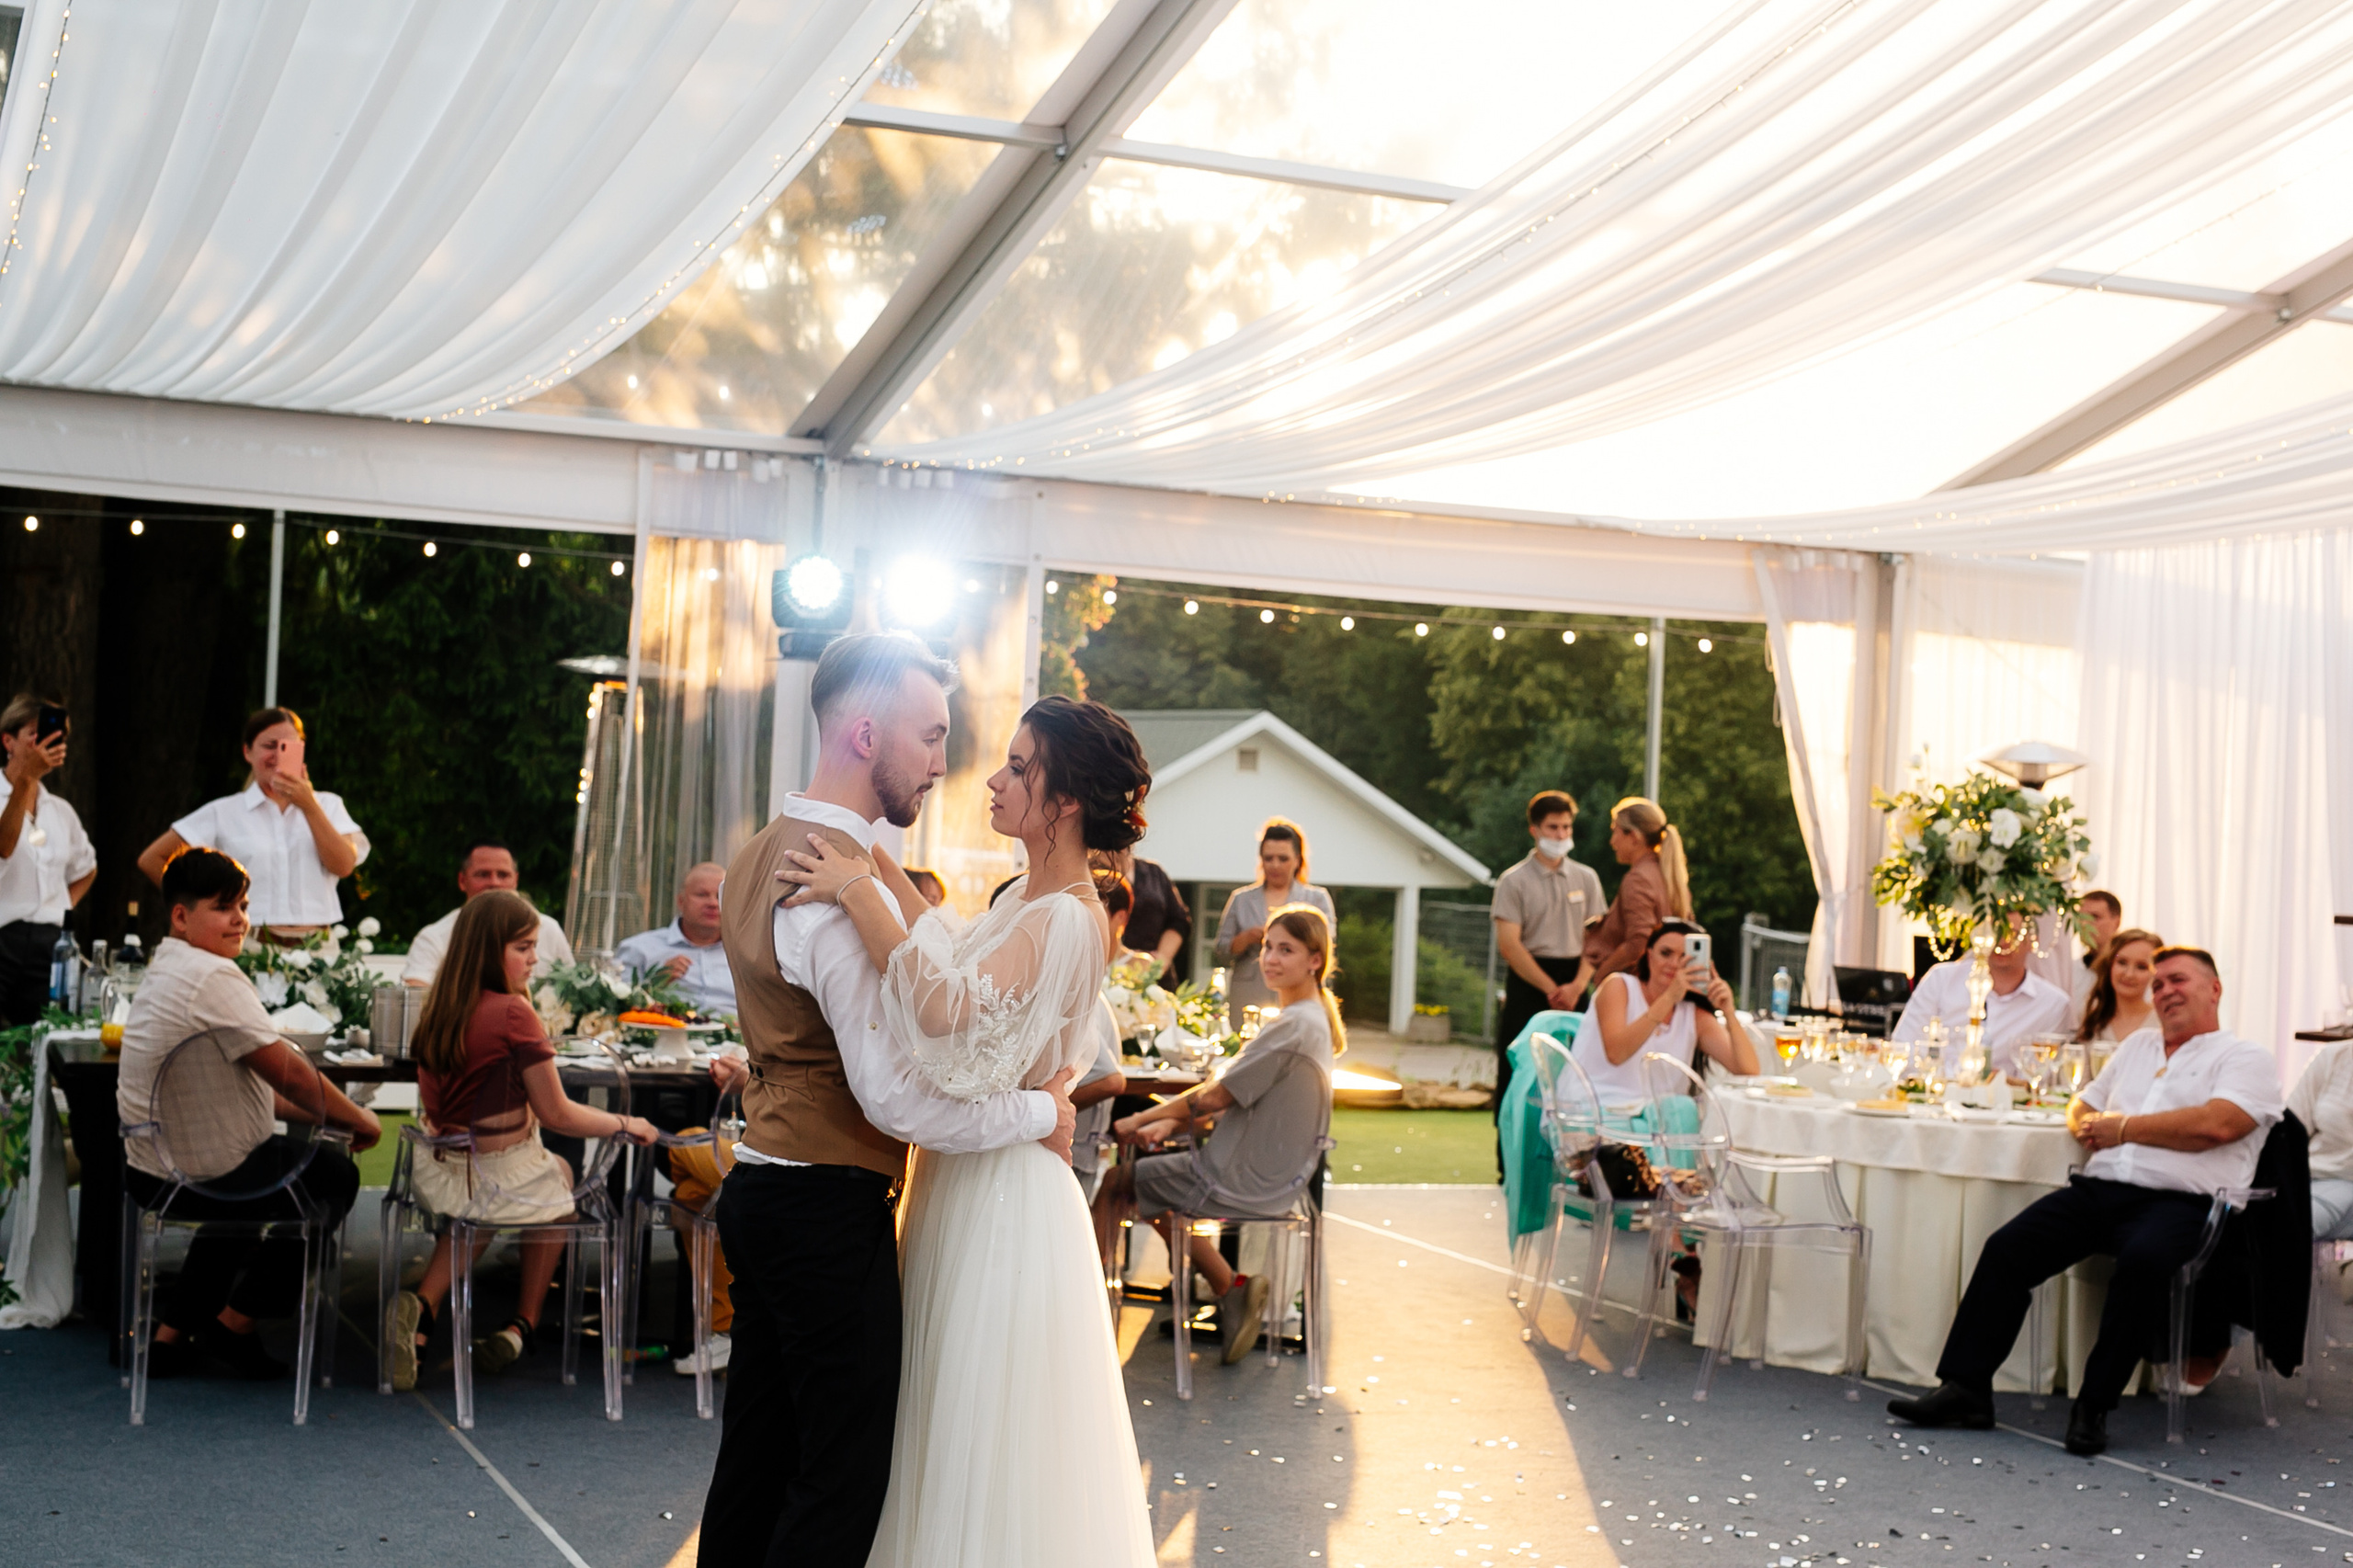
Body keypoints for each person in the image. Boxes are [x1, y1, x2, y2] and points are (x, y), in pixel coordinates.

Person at [691, 632, 1085, 1568]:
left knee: (757, 1456)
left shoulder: (769, 852)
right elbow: (897, 1098)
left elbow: (940, 961)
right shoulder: (823, 883)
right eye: (931, 734)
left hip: (770, 1185)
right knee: (841, 1476)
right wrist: (1042, 1114)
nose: (946, 764)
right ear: (866, 734)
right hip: (822, 1205)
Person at [770, 687, 1157, 1567]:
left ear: (1062, 802)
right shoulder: (1025, 895)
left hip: (1006, 1202)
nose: (991, 780)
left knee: (983, 1437)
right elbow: (945, 945)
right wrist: (867, 849)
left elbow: (944, 1008)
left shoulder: (1070, 917)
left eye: (1018, 769)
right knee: (941, 1423)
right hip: (967, 1182)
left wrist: (860, 891)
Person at [1888, 948, 2284, 1456]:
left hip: (2183, 1203)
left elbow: (2217, 1124)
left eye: (2177, 980)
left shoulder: (2243, 1056)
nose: (2164, 991)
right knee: (2008, 1247)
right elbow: (2085, 1102)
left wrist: (2121, 1129)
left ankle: (2093, 1407)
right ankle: (1966, 1389)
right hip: (2105, 1189)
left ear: (2215, 990)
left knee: (2144, 1262)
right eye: (2158, 985)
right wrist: (2086, 1125)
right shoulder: (2140, 1046)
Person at [115, 847, 381, 1379]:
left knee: (258, 1182)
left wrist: (331, 1115)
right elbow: (291, 1072)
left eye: (243, 905)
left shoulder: (169, 965)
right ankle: (233, 1324)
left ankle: (169, 1339)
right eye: (223, 907)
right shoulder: (211, 976)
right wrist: (360, 1120)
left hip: (152, 1166)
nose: (240, 919)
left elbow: (254, 1084)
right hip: (196, 1170)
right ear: (181, 916)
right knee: (331, 1177)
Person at [384, 891, 656, 1392]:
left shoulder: (439, 1005)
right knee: (557, 1180)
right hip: (492, 1173)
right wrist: (626, 1122)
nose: (535, 958)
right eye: (524, 948)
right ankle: (523, 1324)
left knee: (514, 1186)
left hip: (439, 1166)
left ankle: (424, 1308)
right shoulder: (512, 1013)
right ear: (491, 949)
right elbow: (558, 1113)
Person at [1093, 903, 1341, 1366]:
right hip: (1274, 1175)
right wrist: (1169, 1121)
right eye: (1267, 946)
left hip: (1239, 1178)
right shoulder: (1310, 1020)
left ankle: (1082, 1308)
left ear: (1315, 960)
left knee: (1117, 1183)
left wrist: (1138, 1121)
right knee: (1155, 1188)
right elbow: (1243, 1100)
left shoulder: (1293, 1024)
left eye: (1286, 950)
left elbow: (1214, 1098)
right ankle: (1230, 1286)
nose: (1270, 957)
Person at [138, 708, 367, 942]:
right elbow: (152, 859)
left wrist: (308, 805)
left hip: (318, 947)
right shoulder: (224, 811)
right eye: (270, 745)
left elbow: (344, 865)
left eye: (289, 746)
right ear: (248, 752)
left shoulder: (328, 805)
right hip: (249, 944)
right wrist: (203, 907)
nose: (278, 755)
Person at [1492, 790, 1606, 1098]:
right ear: (1535, 830)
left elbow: (1598, 941)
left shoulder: (1587, 878)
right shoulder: (1513, 881)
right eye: (1553, 827)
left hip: (1576, 983)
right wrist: (1551, 989)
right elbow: (1510, 946)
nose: (1561, 834)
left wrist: (1577, 986)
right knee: (1520, 1073)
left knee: (1579, 1073)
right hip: (1531, 983)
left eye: (1566, 827)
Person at [1572, 919, 1759, 1105]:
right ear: (1649, 954)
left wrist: (1729, 1012)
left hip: (1659, 1123)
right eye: (1666, 953)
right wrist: (1669, 998)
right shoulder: (1619, 986)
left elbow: (1748, 1071)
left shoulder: (1693, 1015)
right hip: (1596, 1106)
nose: (1674, 963)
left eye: (1685, 957)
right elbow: (1616, 1054)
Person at [0, 694, 95, 1027]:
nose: (48, 743)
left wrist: (64, 905)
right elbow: (3, 847)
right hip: (4, 935)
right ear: (7, 740)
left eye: (55, 736)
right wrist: (25, 779)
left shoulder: (60, 811)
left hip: (49, 943)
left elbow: (87, 867)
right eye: (35, 734)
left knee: (46, 1035)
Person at [1891, 925, 2073, 1078]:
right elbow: (1901, 1049)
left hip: (2006, 1112)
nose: (2003, 942)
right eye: (1996, 931)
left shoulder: (2053, 1004)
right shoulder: (1941, 979)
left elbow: (2036, 1078)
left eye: (2015, 935)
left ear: (2033, 941)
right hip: (1935, 1098)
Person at [1213, 820, 1336, 1032]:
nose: (1275, 865)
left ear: (1298, 860)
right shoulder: (1241, 899)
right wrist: (1247, 938)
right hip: (1250, 996)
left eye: (1283, 858)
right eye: (1268, 858)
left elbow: (1326, 947)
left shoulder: (1316, 899)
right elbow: (1220, 953)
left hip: (1299, 995)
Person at [400, 839, 575, 987]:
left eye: (503, 875)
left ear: (516, 880)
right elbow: (417, 994)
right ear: (462, 880)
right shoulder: (434, 938)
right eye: (483, 874)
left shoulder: (548, 929)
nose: (494, 883)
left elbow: (574, 989)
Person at [1582, 796, 1695, 984]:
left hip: (1638, 988)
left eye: (1615, 831)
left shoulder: (1638, 879)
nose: (1612, 841)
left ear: (1633, 837)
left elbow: (1639, 942)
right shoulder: (1667, 873)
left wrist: (1604, 973)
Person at [613, 861, 735, 1015]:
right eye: (702, 895)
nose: (713, 903)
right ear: (681, 901)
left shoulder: (747, 954)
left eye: (719, 896)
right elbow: (614, 1008)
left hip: (735, 1036)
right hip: (662, 1036)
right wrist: (655, 982)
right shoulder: (638, 948)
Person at [2290, 1038, 2353, 1244]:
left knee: (2282, 1230)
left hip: (2344, 1181)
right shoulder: (2334, 1056)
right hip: (2305, 1178)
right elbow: (2289, 1131)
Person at [1106, 846, 1189, 972]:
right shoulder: (1093, 873)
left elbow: (1179, 920)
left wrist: (1161, 961)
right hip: (1111, 969)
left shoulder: (1154, 872)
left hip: (1153, 971)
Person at [2076, 927, 2164, 1042]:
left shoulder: (2162, 1023)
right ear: (2110, 964)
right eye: (2122, 962)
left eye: (2141, 967)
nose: (2129, 974)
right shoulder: (2089, 1017)